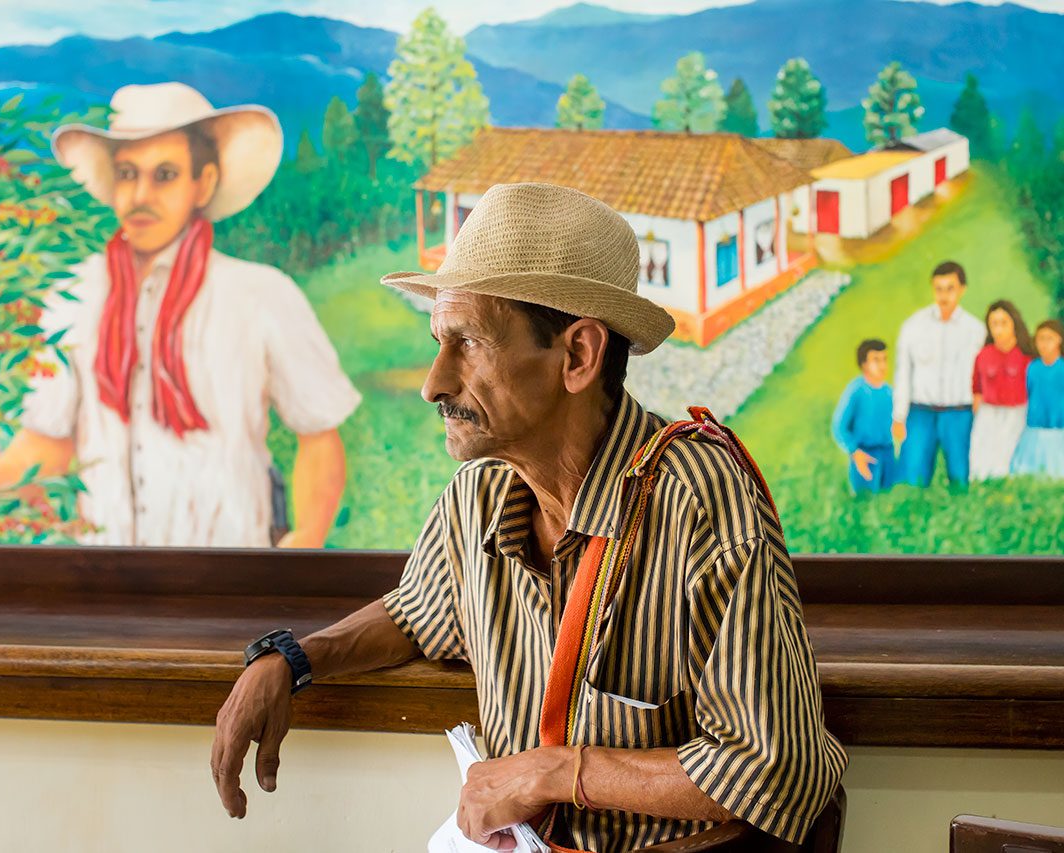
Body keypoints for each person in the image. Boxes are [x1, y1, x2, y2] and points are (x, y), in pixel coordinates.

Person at [210, 183, 845, 852]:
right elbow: (417, 613)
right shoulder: (477, 494)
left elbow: (781, 768)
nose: (434, 382)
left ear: (577, 356)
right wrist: (287, 660)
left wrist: (556, 770)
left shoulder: (699, 501)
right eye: (438, 341)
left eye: (469, 343)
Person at [0, 82, 360, 547]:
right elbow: (49, 445)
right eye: (127, 174)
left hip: (229, 576)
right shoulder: (73, 296)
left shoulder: (260, 295)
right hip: (105, 578)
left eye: (164, 175)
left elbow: (319, 435)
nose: (140, 195)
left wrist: (308, 538)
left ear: (205, 182)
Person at [892, 261, 986, 489]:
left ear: (962, 289)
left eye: (950, 288)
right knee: (913, 478)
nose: (944, 296)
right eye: (939, 289)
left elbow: (982, 377)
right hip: (921, 412)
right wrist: (899, 415)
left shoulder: (976, 331)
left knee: (961, 477)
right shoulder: (914, 326)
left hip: (959, 412)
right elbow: (903, 373)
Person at [1010, 320, 1064, 480]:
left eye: (1049, 338)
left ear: (1059, 340)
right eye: (1040, 339)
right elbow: (1028, 392)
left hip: (1059, 428)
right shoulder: (1032, 368)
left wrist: (1063, 415)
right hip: (1035, 426)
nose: (1044, 344)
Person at [969, 300, 1035, 480]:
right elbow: (976, 387)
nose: (998, 329)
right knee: (984, 457)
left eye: (1003, 323)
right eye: (993, 324)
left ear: (1014, 324)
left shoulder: (1026, 357)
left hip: (1018, 413)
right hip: (989, 413)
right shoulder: (983, 355)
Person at [831, 339, 895, 493]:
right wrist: (854, 451)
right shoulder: (856, 390)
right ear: (864, 364)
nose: (882, 365)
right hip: (864, 452)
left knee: (888, 498)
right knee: (864, 501)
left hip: (887, 452)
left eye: (884, 359)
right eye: (876, 360)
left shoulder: (889, 391)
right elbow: (839, 426)